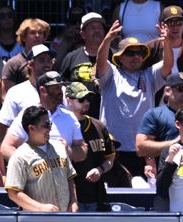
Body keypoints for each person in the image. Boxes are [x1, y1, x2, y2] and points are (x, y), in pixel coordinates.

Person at [96, 20, 172, 185]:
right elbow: (100, 64)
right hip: (113, 150)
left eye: (139, 53)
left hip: (143, 150)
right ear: (119, 57)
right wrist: (107, 40)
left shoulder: (149, 75)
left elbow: (168, 66)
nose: (136, 56)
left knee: (143, 199)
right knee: (115, 200)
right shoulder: (112, 74)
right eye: (130, 53)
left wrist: (167, 43)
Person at [1, 71, 86, 170]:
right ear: (42, 90)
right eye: (56, 87)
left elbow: (82, 150)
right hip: (33, 182)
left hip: (62, 180)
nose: (60, 91)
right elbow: (5, 148)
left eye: (61, 87)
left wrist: (69, 151)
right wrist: (31, 164)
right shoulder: (28, 115)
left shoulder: (70, 117)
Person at [5, 105, 78, 212]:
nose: (50, 128)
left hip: (66, 217)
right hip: (37, 220)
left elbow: (70, 178)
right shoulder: (19, 156)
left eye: (50, 124)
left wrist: (73, 202)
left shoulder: (60, 147)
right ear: (31, 128)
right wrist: (40, 207)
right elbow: (13, 193)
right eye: (46, 125)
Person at [64, 82, 116, 211]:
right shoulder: (60, 126)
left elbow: (110, 157)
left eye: (88, 99)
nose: (86, 102)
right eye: (81, 99)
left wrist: (100, 169)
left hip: (96, 196)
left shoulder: (99, 126)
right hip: (69, 197)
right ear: (68, 100)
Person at [144, 6, 183, 97]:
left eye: (179, 23)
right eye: (170, 23)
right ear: (162, 25)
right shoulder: (150, 49)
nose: (175, 27)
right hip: (155, 106)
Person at [0, 44, 54, 134]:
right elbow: (4, 126)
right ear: (30, 64)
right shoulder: (15, 92)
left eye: (49, 61)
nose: (47, 64)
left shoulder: (60, 91)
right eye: (42, 60)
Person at [57, 13, 105, 119]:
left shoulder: (113, 56)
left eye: (100, 28)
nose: (97, 31)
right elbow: (62, 85)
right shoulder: (71, 57)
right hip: (77, 119)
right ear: (83, 34)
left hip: (108, 117)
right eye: (92, 28)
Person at [0, 18, 50, 96]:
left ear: (44, 37)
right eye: (32, 33)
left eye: (40, 33)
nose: (37, 36)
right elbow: (6, 96)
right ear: (23, 37)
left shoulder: (50, 62)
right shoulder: (13, 64)